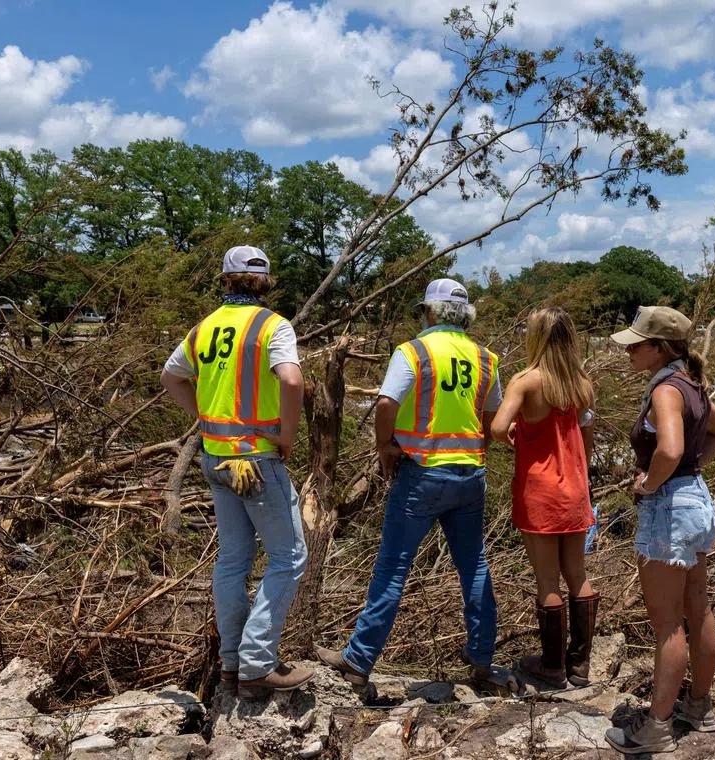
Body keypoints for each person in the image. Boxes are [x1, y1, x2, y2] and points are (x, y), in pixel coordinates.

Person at [315, 278, 502, 688]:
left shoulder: (414, 351)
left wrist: (386, 445)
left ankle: (359, 661)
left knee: (393, 567)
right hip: (470, 474)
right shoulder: (486, 358)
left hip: (421, 473)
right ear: (465, 315)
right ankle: (483, 659)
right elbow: (493, 420)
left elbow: (386, 402)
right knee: (474, 567)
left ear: (430, 312)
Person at [160, 245, 312, 697]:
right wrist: (287, 436)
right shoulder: (273, 325)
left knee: (232, 561)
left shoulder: (204, 328)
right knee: (288, 558)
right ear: (266, 282)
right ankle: (258, 664)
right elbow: (291, 379)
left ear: (226, 279)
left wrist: (204, 419)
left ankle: (232, 665)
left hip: (215, 457)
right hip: (258, 459)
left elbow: (171, 377)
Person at [603, 306, 715, 754]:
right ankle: (698, 707)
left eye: (636, 345)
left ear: (659, 348)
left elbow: (671, 447)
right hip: (696, 501)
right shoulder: (692, 382)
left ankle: (655, 729)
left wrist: (650, 482)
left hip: (670, 508)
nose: (629, 352)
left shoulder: (665, 390)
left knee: (667, 626)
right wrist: (691, 472)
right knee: (699, 609)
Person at [489, 307, 598, 689]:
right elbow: (586, 441)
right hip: (575, 490)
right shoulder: (582, 383)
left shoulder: (526, 381)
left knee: (547, 580)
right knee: (578, 576)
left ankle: (552, 668)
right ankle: (580, 666)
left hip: (540, 492)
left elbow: (498, 427)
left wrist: (518, 435)